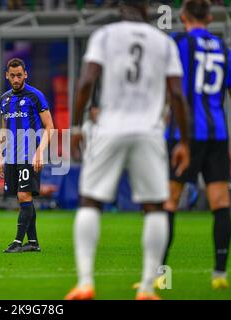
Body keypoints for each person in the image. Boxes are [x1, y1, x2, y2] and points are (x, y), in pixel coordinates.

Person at [66, 0, 190, 300]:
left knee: (90, 201)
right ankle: (147, 288)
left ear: (120, 9)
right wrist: (185, 141)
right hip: (149, 131)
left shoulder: (105, 36)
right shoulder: (164, 43)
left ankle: (85, 283)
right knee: (155, 207)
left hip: (110, 127)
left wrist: (76, 127)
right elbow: (176, 94)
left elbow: (86, 82)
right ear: (146, 10)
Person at [161, 0, 231, 290]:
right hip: (218, 135)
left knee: (170, 201)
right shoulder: (223, 48)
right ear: (209, 17)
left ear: (182, 17)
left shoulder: (177, 42)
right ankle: (219, 274)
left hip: (184, 134)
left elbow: (170, 88)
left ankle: (161, 274)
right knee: (220, 202)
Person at [0, 58, 54, 253]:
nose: (15, 79)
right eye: (12, 75)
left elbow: (50, 127)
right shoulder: (4, 99)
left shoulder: (35, 96)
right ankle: (33, 242)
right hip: (12, 157)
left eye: (19, 75)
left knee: (24, 194)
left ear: (25, 74)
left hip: (30, 155)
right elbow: (5, 130)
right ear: (7, 75)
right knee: (23, 199)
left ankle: (17, 242)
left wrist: (40, 151)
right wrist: (1, 155)